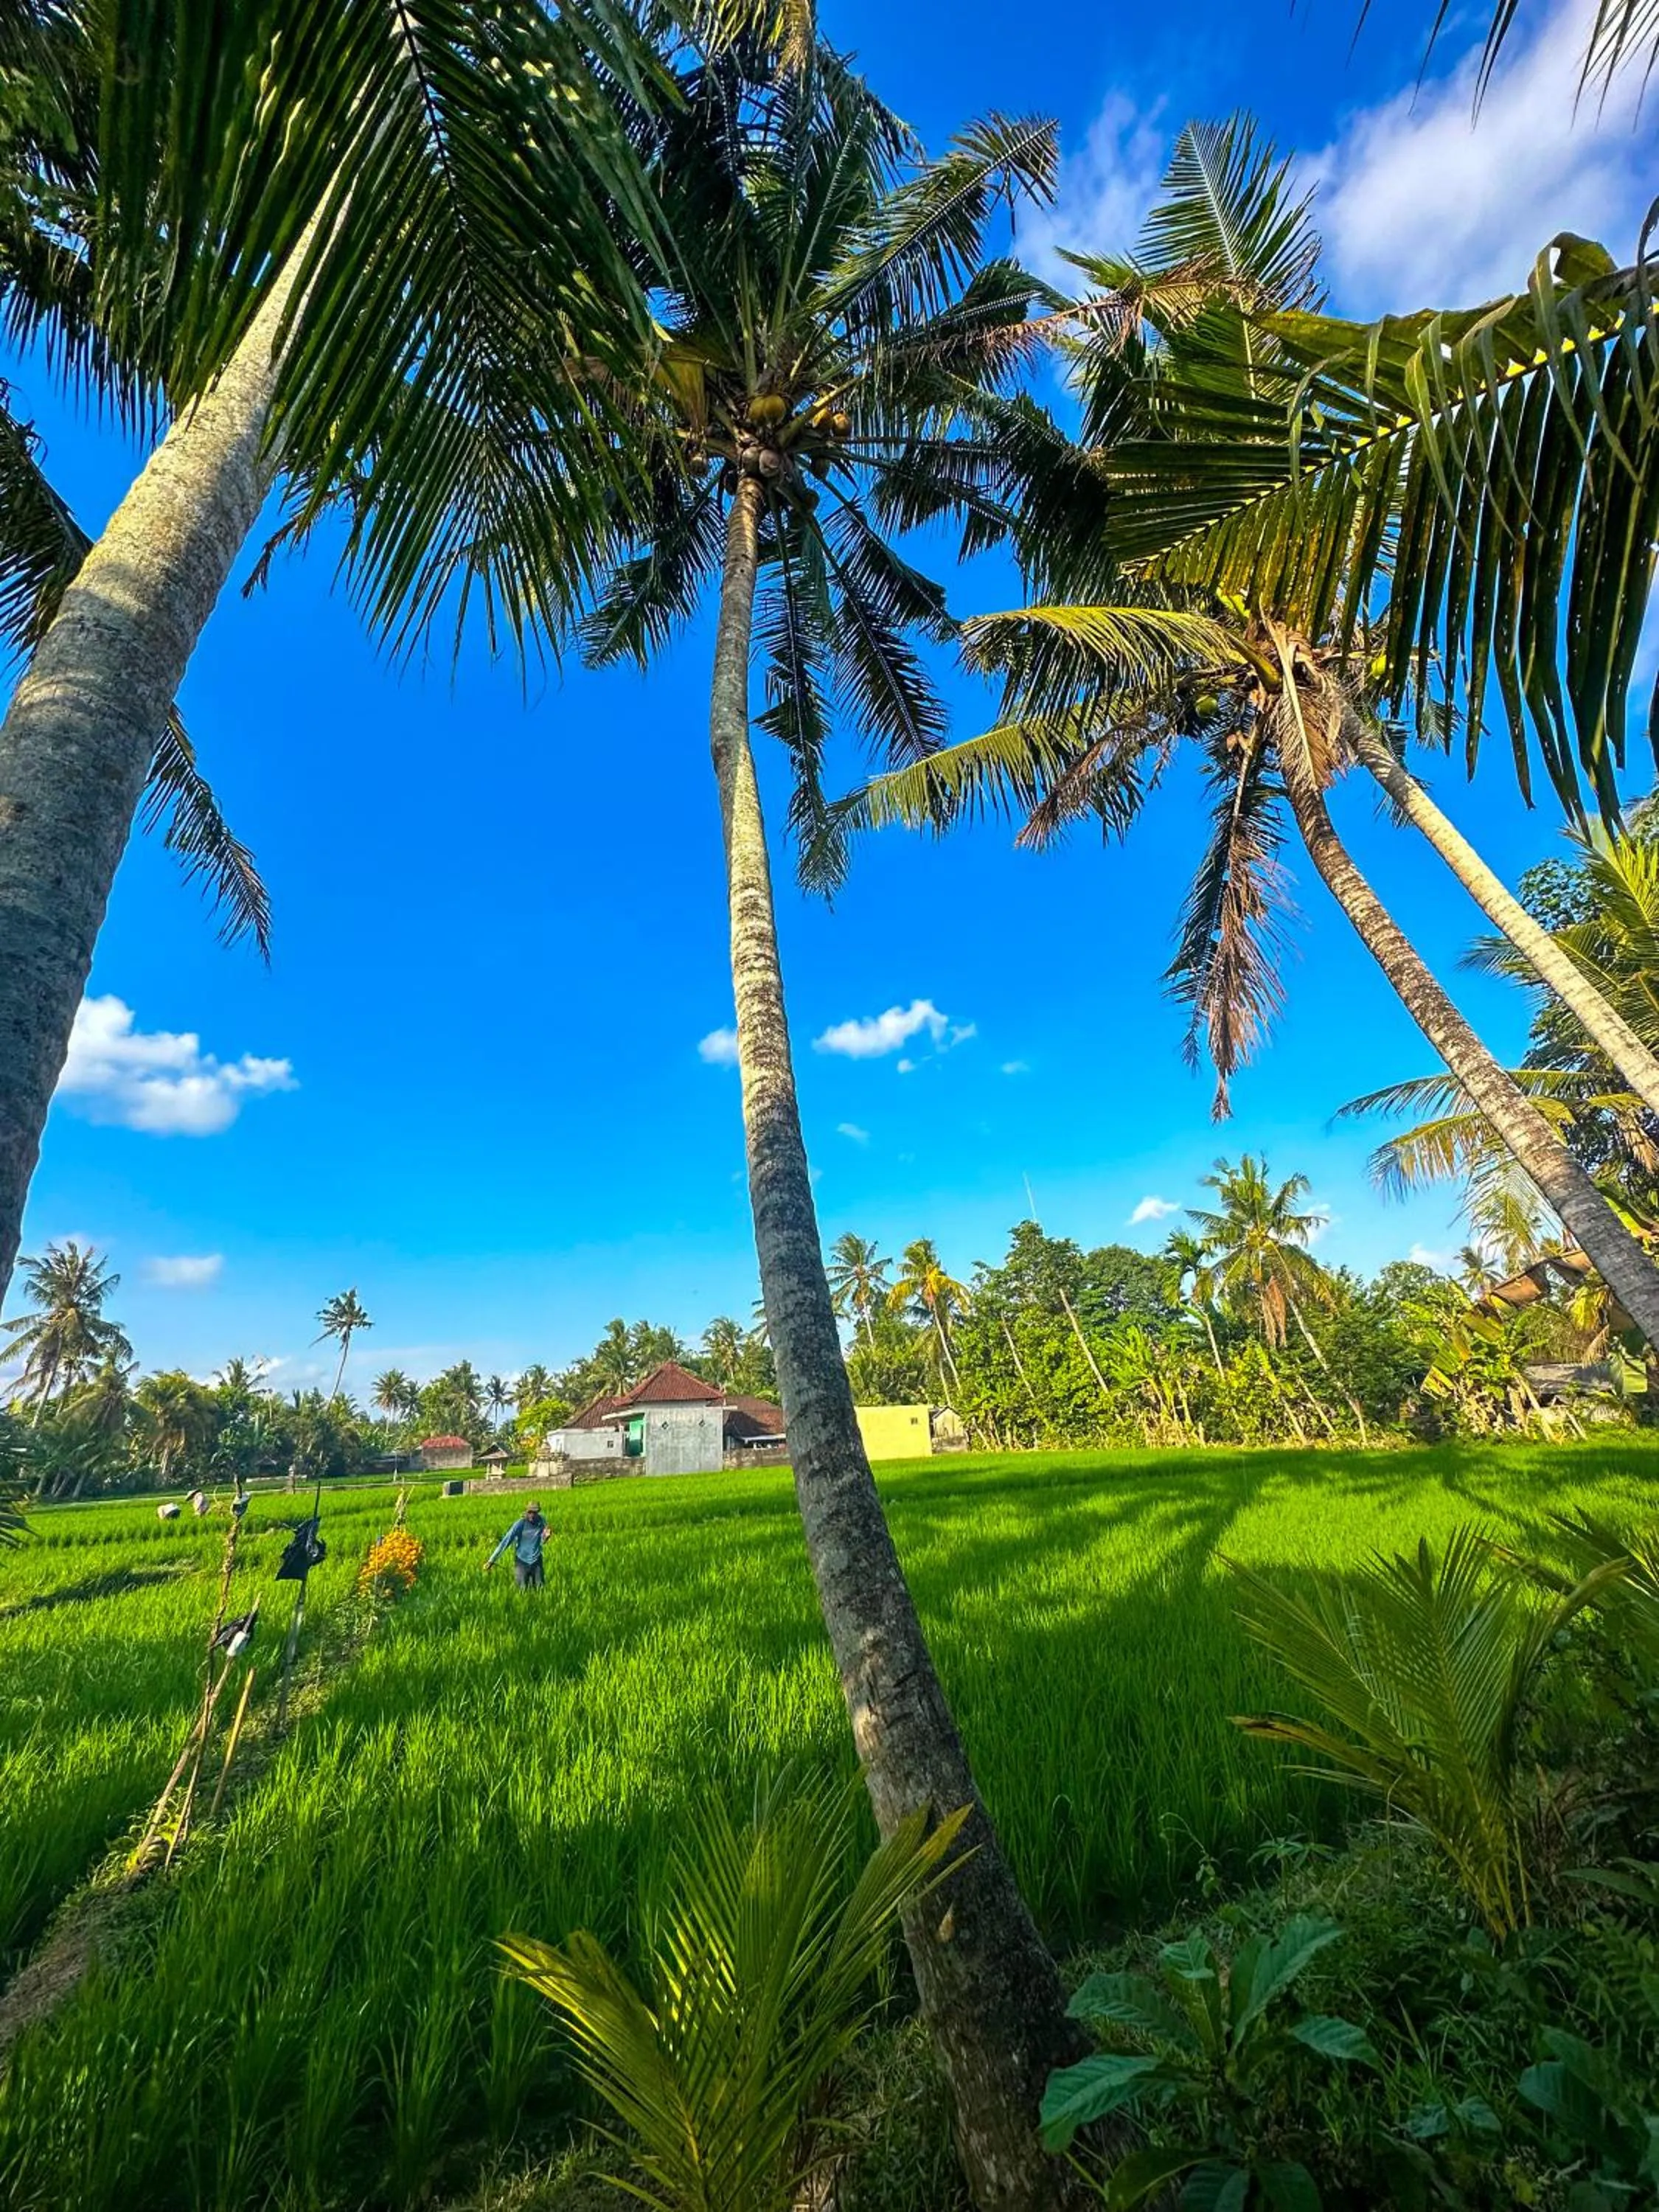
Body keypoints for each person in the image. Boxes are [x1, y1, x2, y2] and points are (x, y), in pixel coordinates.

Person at [485, 1500, 549, 1590]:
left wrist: (546, 1537)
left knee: (540, 1589)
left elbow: (542, 1541)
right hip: (522, 1561)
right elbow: (505, 1542)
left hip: (537, 1561)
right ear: (526, 1512)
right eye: (530, 1512)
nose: (532, 1515)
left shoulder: (542, 1521)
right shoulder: (520, 1524)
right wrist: (491, 1560)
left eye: (534, 1512)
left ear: (538, 1512)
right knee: (522, 1591)